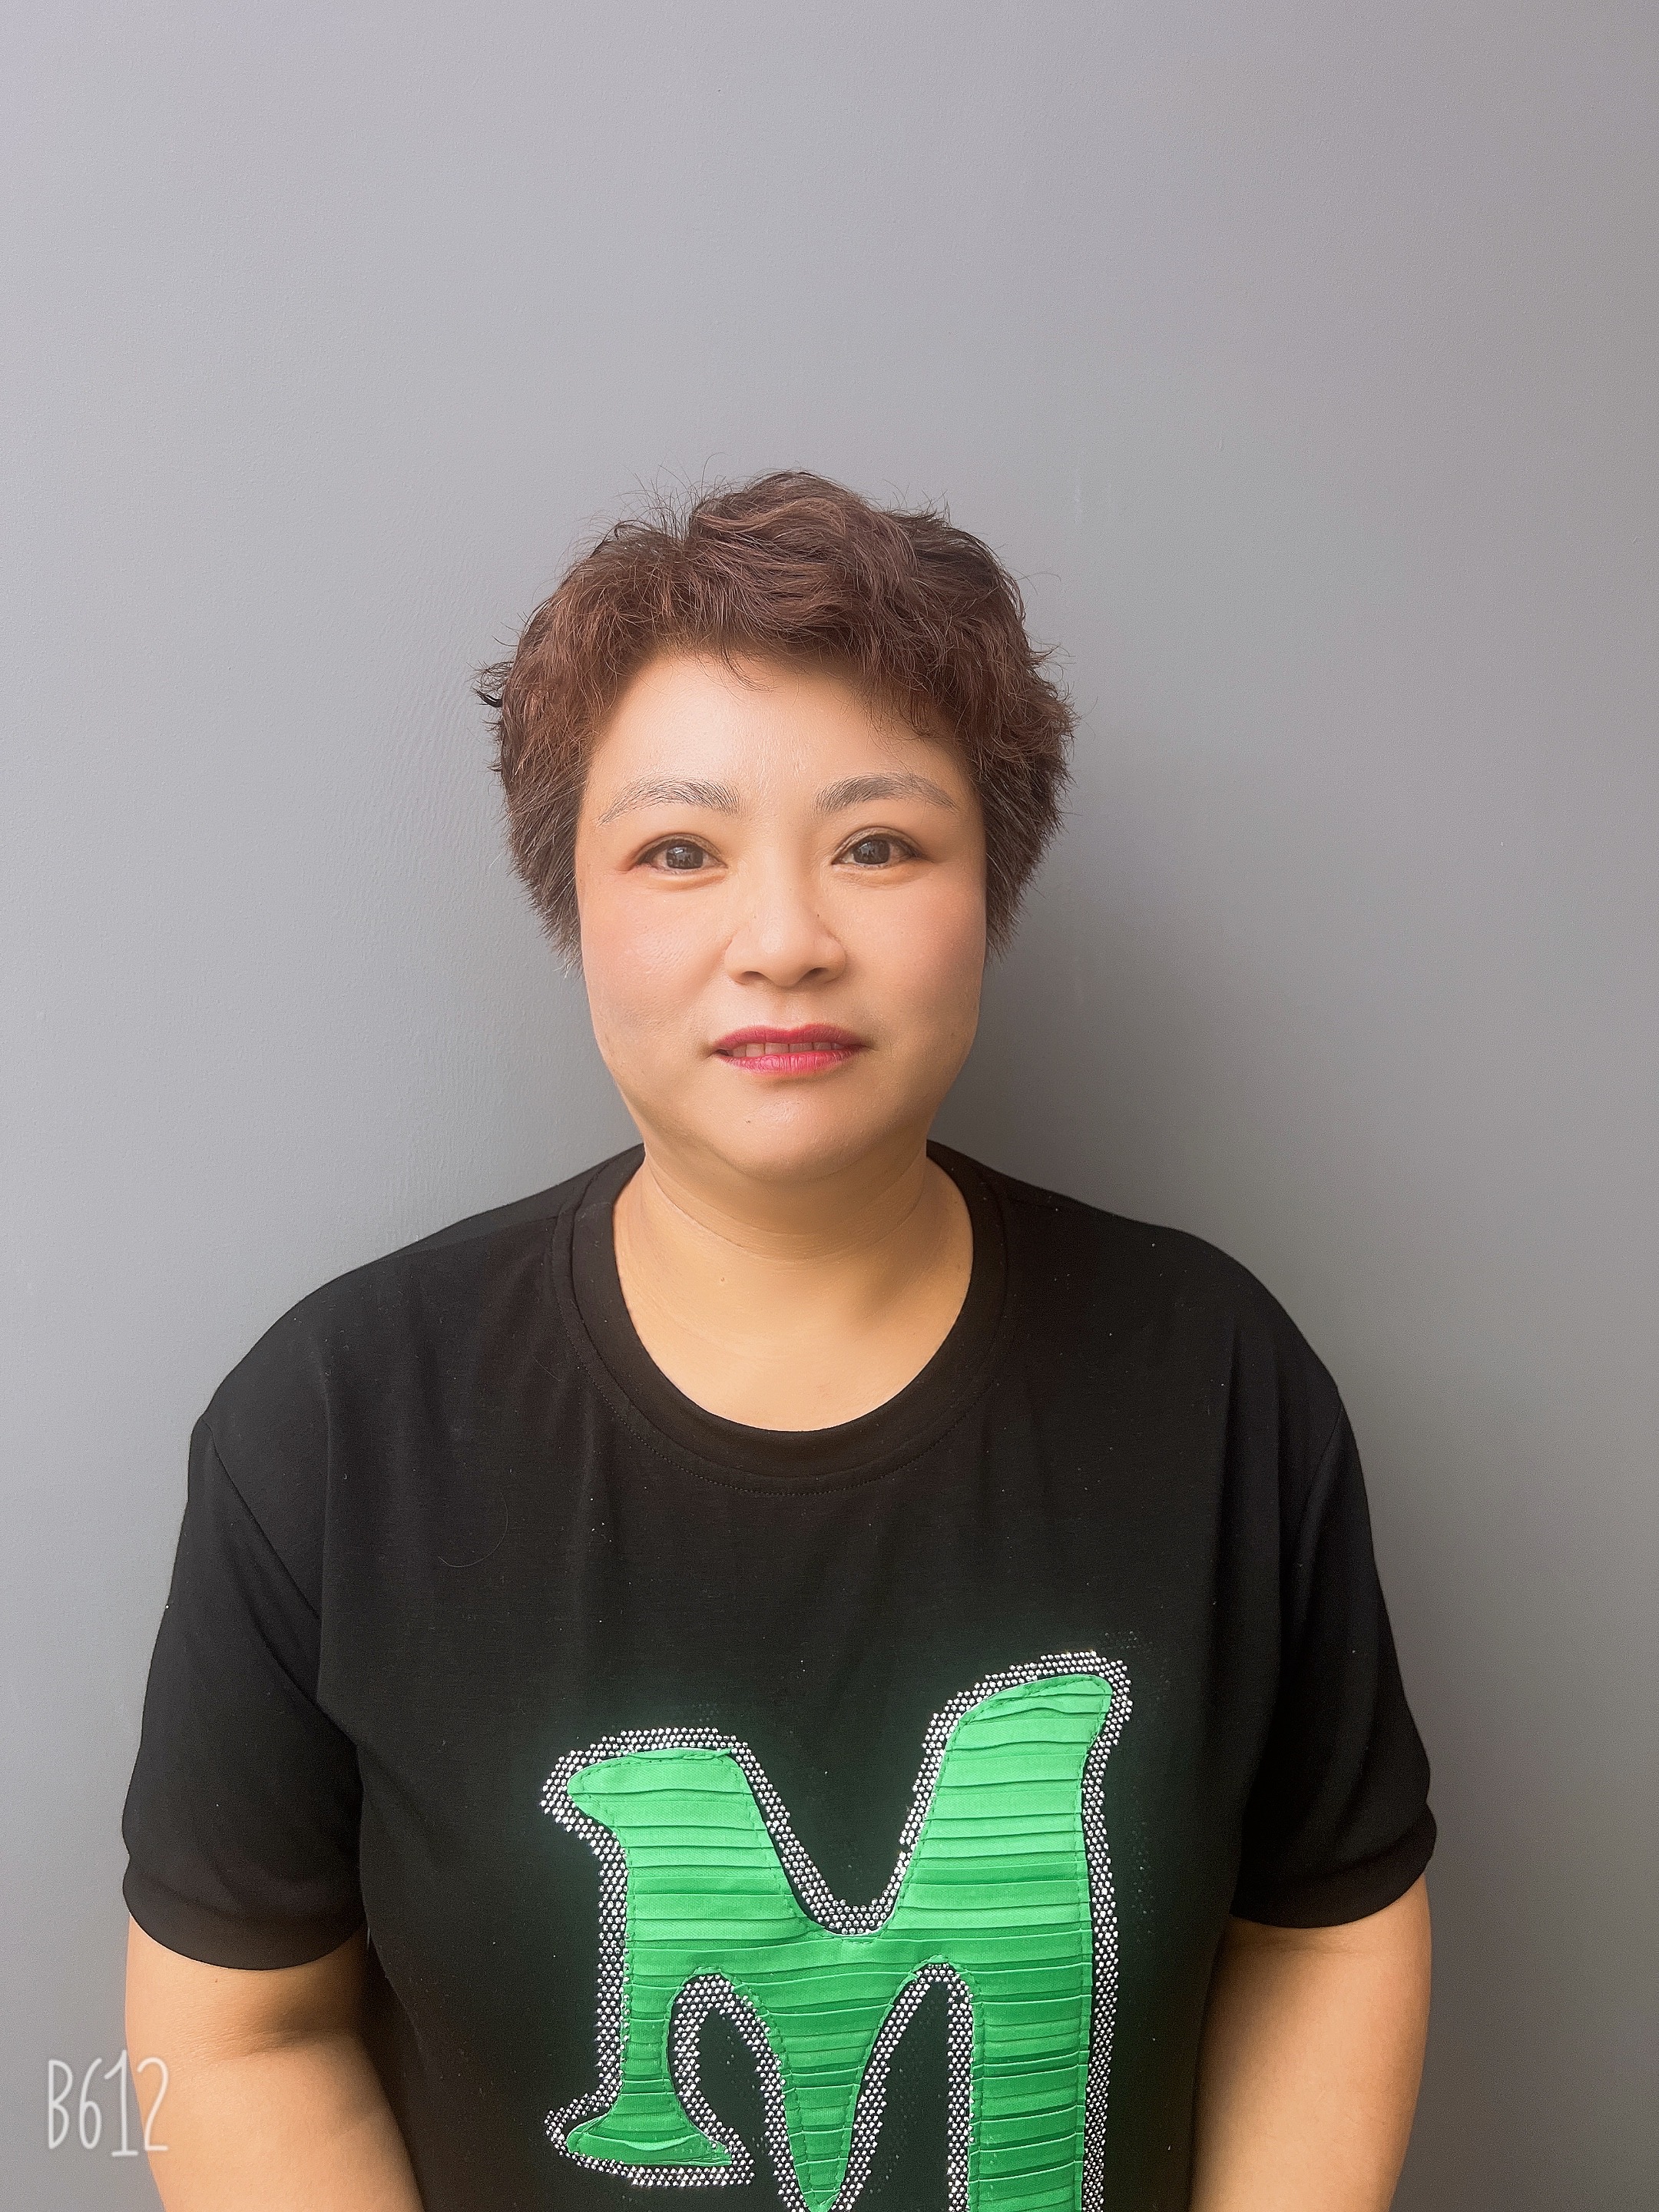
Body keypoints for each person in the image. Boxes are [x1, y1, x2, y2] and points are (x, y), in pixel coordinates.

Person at [123, 472, 1435, 2212]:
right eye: (679, 850)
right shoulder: (335, 1423)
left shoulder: (1214, 1382)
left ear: (992, 887)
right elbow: (238, 2032)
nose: (787, 942)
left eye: (879, 843)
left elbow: (1327, 1928)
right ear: (572, 897)